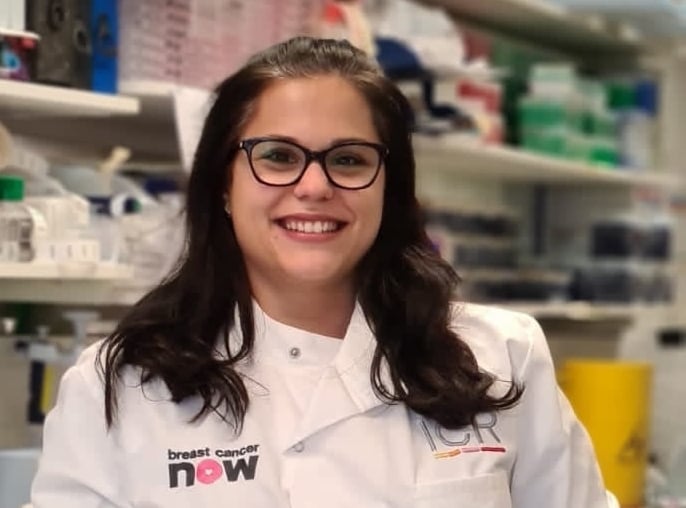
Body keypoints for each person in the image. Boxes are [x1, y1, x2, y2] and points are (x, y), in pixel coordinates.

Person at [31, 36, 615, 508]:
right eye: (278, 156)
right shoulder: (118, 386)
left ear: (390, 187)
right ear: (224, 186)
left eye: (349, 160)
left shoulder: (498, 355)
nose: (314, 186)